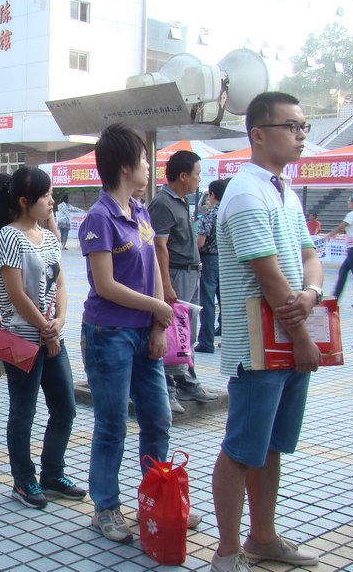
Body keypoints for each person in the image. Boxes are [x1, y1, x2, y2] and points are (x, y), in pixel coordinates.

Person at [210, 92, 322, 572]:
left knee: (270, 445)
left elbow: (308, 257)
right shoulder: (245, 192)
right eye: (291, 126)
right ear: (258, 133)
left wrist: (312, 295)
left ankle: (263, 537)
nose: (300, 135)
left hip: (287, 338)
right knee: (241, 448)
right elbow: (267, 273)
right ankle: (227, 550)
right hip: (258, 347)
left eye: (303, 127)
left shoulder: (284, 192)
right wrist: (303, 339)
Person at [79, 124, 201, 543]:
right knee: (112, 424)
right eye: (145, 159)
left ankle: (157, 497)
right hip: (107, 334)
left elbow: (150, 272)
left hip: (143, 332)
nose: (150, 166)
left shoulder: (141, 211)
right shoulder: (99, 217)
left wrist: (157, 324)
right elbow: (106, 285)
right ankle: (105, 508)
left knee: (158, 417)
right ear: (126, 165)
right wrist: (158, 308)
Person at [0, 166, 86, 509]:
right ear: (24, 200)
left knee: (65, 407)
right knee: (24, 411)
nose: (51, 201)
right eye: (46, 195)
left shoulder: (49, 237)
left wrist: (59, 321)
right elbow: (15, 294)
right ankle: (23, 479)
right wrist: (45, 328)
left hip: (51, 338)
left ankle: (52, 473)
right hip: (20, 337)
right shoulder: (8, 236)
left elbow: (59, 284)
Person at [148, 151, 218, 413]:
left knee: (186, 333)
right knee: (171, 333)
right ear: (183, 176)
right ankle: (167, 389)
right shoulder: (162, 204)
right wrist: (166, 285)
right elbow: (159, 247)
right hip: (175, 274)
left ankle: (187, 381)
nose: (199, 180)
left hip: (191, 273)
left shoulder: (180, 201)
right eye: (197, 174)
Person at [195, 179, 226, 353]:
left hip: (210, 260)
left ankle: (206, 341)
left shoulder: (210, 214)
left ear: (213, 195)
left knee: (207, 301)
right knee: (226, 302)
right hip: (228, 261)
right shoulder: (230, 212)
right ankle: (228, 338)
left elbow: (200, 242)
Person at [326, 193, 353, 308]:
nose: (348, 202)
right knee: (344, 271)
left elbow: (341, 226)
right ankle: (336, 296)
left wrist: (331, 234)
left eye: (349, 200)